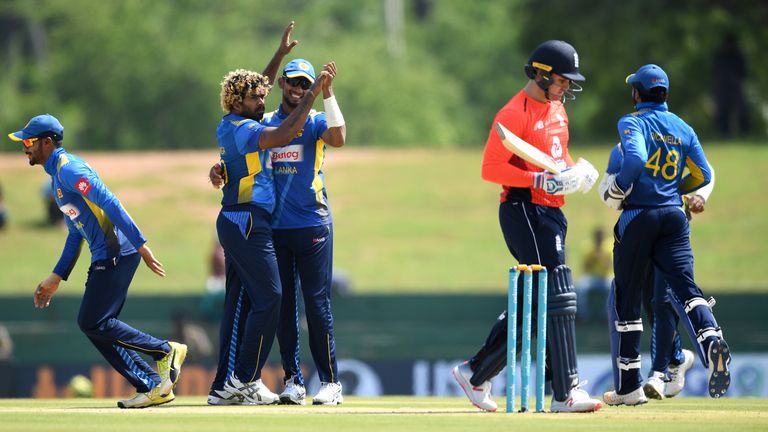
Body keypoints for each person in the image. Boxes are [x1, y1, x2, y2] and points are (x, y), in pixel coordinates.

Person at [452, 40, 602, 413]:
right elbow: (491, 168)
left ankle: (476, 373)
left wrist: (574, 171)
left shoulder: (557, 110)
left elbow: (556, 158)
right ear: (541, 73)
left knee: (541, 302)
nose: (567, 86)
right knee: (555, 297)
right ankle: (566, 391)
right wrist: (537, 181)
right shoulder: (512, 113)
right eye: (562, 80)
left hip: (551, 211)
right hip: (524, 210)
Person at [7, 114, 187, 409]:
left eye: (29, 141)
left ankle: (166, 351)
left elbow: (110, 202)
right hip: (106, 253)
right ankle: (153, 386)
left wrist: (141, 245)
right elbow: (74, 233)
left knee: (93, 321)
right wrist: (56, 276)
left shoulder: (70, 170)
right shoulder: (57, 179)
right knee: (95, 324)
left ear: (47, 143)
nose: (25, 148)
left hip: (118, 251)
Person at [206, 21, 334, 406]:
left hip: (248, 219)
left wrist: (278, 55)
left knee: (249, 301)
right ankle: (238, 380)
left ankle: (230, 383)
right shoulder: (244, 128)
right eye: (256, 100)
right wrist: (312, 94)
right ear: (239, 103)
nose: (263, 102)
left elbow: (253, 91)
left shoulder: (244, 118)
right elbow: (284, 134)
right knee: (268, 298)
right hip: (245, 219)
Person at [600, 64, 731, 406]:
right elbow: (702, 174)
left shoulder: (632, 121)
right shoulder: (683, 127)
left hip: (639, 214)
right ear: (665, 94)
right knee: (686, 287)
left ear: (636, 93)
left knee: (627, 296)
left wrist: (620, 186)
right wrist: (674, 188)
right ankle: (710, 339)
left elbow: (637, 159)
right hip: (674, 216)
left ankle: (628, 387)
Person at [263, 58, 346, 405]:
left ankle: (330, 382)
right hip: (276, 228)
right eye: (293, 82)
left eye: (304, 84)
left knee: (316, 304)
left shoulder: (313, 123)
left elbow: (339, 138)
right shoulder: (266, 123)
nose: (298, 89)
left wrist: (327, 94)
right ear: (282, 83)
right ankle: (293, 381)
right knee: (284, 308)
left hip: (313, 225)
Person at [642, 164, 715, 400]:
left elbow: (707, 169)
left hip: (672, 228)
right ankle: (678, 360)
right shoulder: (634, 136)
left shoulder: (674, 134)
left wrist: (701, 196)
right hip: (642, 227)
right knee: (650, 303)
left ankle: (658, 373)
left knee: (663, 299)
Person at [712, 32, 749, 137]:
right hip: (723, 85)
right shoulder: (721, 55)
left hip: (734, 85)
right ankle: (724, 132)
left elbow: (743, 71)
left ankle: (744, 131)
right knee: (723, 110)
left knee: (741, 109)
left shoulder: (737, 55)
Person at [575, 227, 612, 321]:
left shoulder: (609, 247)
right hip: (592, 277)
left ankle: (606, 315)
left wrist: (601, 258)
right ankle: (584, 315)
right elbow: (585, 267)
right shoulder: (588, 248)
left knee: (612, 287)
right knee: (580, 287)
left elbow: (610, 266)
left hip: (605, 276)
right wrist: (593, 258)